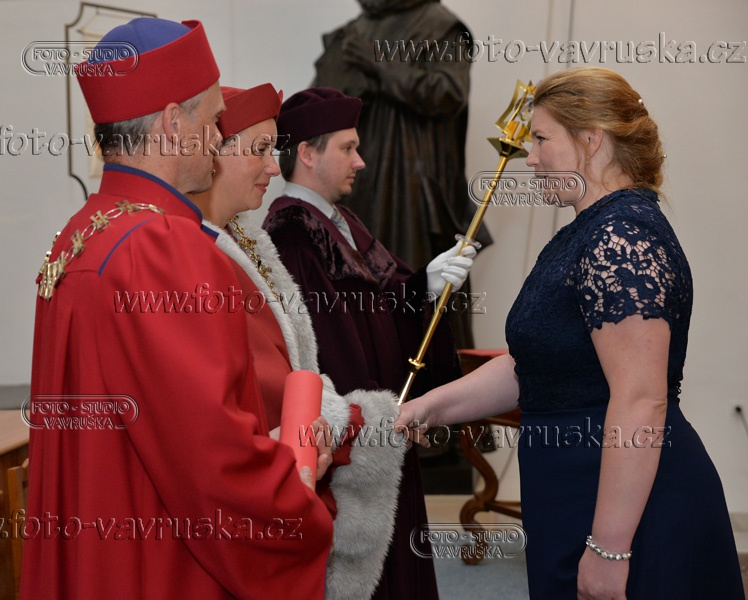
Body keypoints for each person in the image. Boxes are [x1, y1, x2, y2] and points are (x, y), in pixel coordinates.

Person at [395, 67, 744, 599]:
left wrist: (609, 549)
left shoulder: (621, 238)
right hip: (578, 490)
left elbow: (642, 399)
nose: (530, 157)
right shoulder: (589, 231)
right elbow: (532, 365)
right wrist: (430, 407)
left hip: (627, 509)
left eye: (541, 138)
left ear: (591, 140)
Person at [21, 19, 334, 600]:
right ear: (172, 123)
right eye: (213, 120)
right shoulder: (163, 246)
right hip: (163, 564)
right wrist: (296, 506)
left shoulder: (80, 234)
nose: (217, 139)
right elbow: (213, 459)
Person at [189, 83, 406, 600]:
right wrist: (347, 419)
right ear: (216, 153)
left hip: (302, 462)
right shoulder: (200, 253)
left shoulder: (246, 238)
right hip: (259, 488)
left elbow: (295, 360)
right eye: (261, 150)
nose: (274, 166)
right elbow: (248, 390)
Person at [262, 87, 475, 600]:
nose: (360, 161)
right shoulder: (294, 235)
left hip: (385, 430)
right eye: (348, 148)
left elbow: (382, 300)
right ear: (307, 153)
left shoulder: (340, 222)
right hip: (355, 449)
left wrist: (423, 286)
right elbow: (326, 348)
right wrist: (375, 423)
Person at [313, 0, 482, 348]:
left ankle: (428, 369)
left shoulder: (440, 25)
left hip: (410, 184)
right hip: (357, 182)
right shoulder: (353, 31)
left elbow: (448, 94)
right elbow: (320, 105)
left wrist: (381, 67)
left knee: (416, 273)